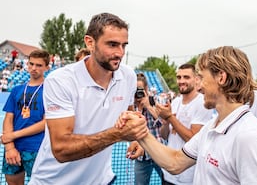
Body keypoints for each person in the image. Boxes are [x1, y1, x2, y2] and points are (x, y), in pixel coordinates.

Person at [126, 46, 257, 184]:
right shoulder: (212, 127)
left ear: (221, 78)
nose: (199, 86)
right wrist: (141, 133)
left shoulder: (249, 136)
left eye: (202, 78)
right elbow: (175, 162)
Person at [28, 13, 148, 185]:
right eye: (112, 44)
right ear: (90, 42)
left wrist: (137, 137)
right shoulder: (61, 80)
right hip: (53, 181)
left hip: (101, 180)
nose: (120, 53)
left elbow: (128, 114)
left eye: (123, 45)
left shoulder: (128, 75)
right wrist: (117, 134)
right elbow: (61, 149)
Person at [157, 63, 213, 185]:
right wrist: (166, 122)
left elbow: (193, 138)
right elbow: (165, 135)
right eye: (179, 77)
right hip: (168, 172)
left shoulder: (202, 103)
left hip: (187, 177)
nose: (181, 81)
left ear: (196, 79)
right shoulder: (176, 101)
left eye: (186, 77)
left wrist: (170, 118)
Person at [1, 50, 50, 185]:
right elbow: (8, 118)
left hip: (37, 149)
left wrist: (13, 135)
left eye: (39, 65)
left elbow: (46, 122)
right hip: (14, 149)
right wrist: (10, 147)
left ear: (47, 67)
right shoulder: (17, 90)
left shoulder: (50, 90)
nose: (33, 68)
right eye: (31, 64)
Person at [131, 73, 165, 184]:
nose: (138, 92)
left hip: (159, 152)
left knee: (168, 181)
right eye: (135, 89)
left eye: (140, 89)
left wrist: (148, 107)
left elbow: (163, 123)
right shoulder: (131, 105)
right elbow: (132, 129)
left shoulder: (156, 101)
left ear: (146, 88)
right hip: (142, 157)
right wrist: (139, 109)